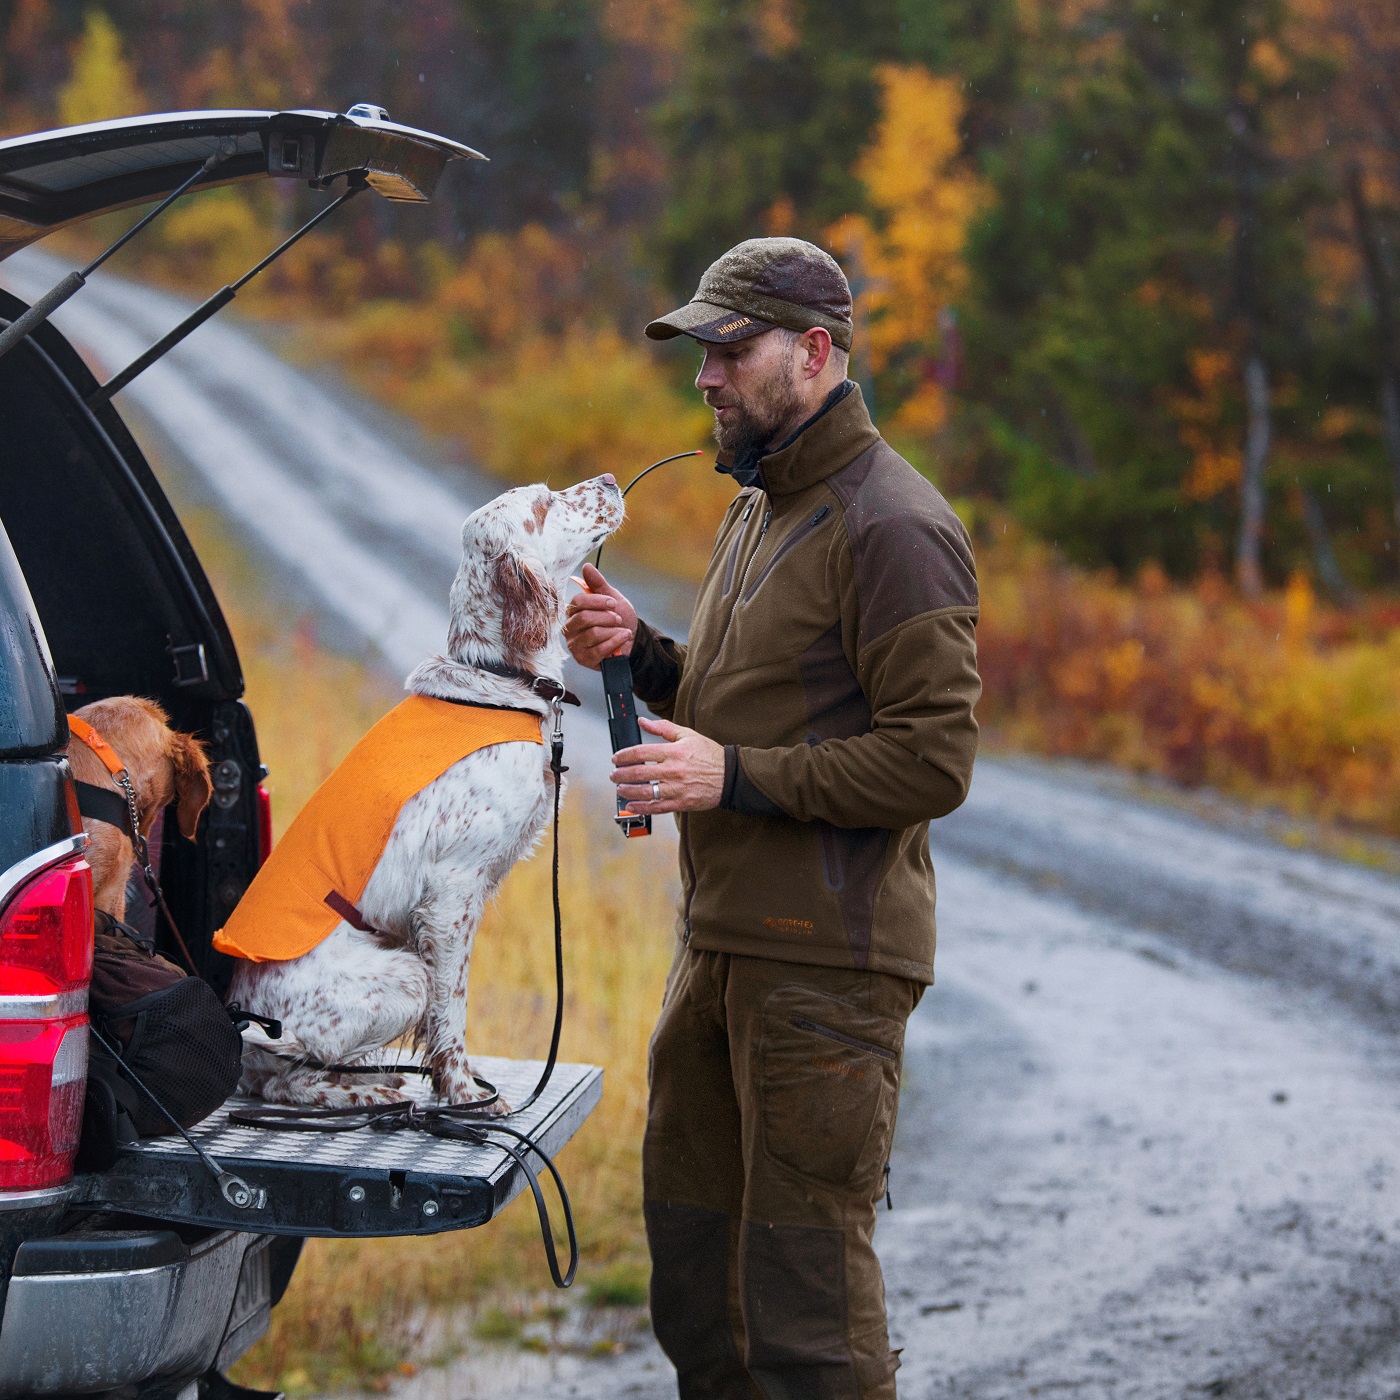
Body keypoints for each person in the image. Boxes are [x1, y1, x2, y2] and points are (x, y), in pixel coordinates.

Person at [564, 236, 981, 1400]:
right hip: (721, 949)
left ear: (812, 352)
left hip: (828, 971)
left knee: (805, 1326)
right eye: (699, 350)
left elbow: (931, 758)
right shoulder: (760, 506)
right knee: (702, 1297)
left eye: (727, 349)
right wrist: (642, 655)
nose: (703, 376)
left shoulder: (895, 526)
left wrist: (731, 777)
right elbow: (748, 699)